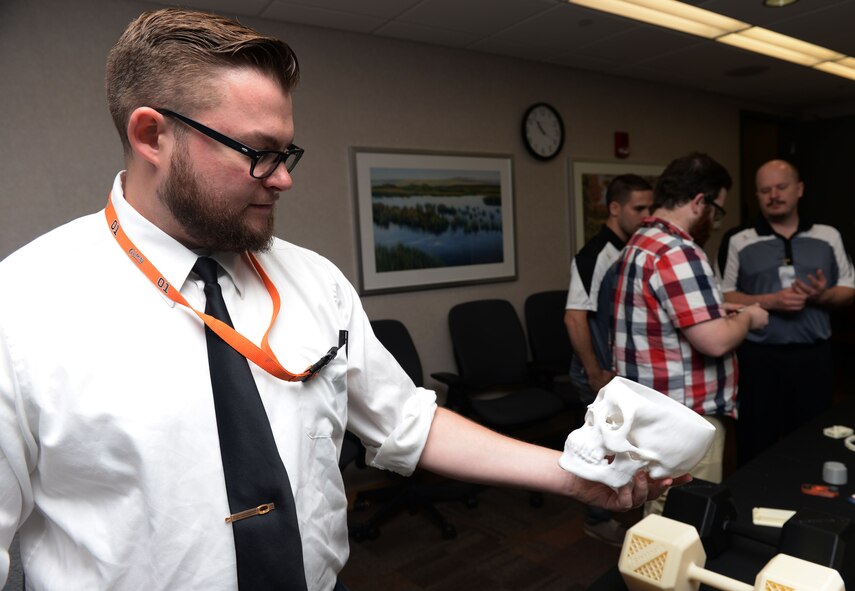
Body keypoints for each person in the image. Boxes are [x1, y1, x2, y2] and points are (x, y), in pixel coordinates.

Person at [0, 8, 680, 590]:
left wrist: (573, 475)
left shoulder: (312, 280)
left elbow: (406, 422)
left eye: (287, 150)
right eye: (257, 152)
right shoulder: (24, 307)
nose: (283, 178)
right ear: (152, 135)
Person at [612, 152, 768, 515]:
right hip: (683, 418)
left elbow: (659, 317)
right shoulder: (679, 252)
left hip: (648, 412)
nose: (715, 220)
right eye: (718, 209)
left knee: (656, 513)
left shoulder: (641, 242)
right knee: (685, 520)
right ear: (700, 202)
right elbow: (714, 341)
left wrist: (719, 311)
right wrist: (749, 318)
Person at [717, 159, 855, 464]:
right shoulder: (739, 239)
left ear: (799, 189)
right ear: (757, 195)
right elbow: (723, 296)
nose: (773, 195)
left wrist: (822, 295)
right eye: (765, 190)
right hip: (758, 358)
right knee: (756, 441)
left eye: (781, 187)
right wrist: (770, 301)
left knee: (811, 441)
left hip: (813, 357)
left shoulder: (828, 235)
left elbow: (848, 290)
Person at [564, 174, 653, 545]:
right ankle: (597, 519)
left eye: (652, 207)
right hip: (597, 371)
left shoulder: (636, 249)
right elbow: (574, 316)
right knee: (601, 450)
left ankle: (629, 508)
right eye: (639, 208)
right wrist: (594, 372)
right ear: (615, 209)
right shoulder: (595, 255)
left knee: (626, 446)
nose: (648, 216)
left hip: (620, 372)